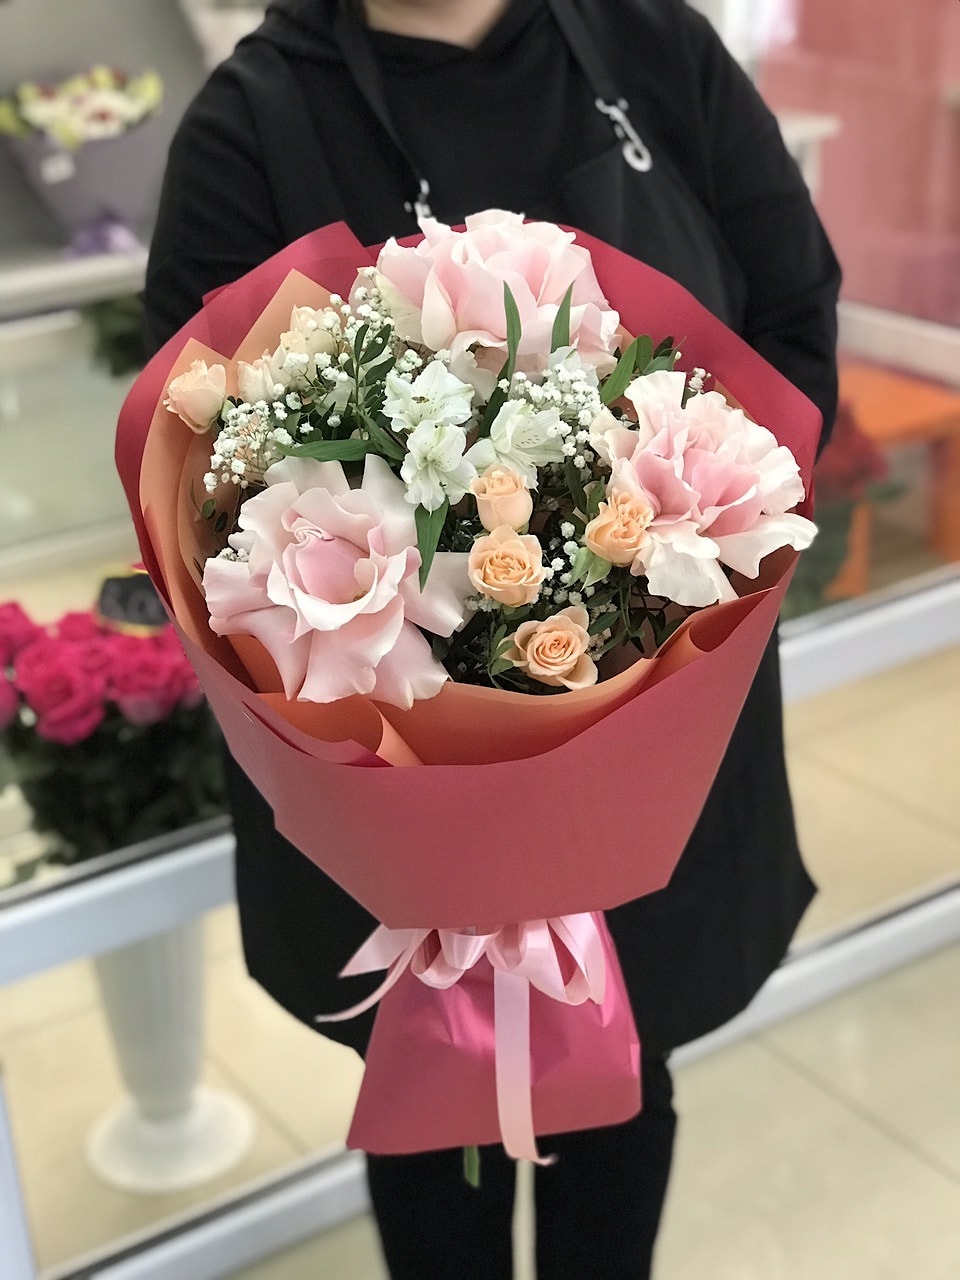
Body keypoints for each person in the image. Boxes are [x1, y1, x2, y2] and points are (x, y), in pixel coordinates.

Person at [143, 2, 841, 1276]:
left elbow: (792, 318)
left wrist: (671, 566)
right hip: (383, 745)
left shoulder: (655, 47)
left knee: (629, 1064)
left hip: (658, 723)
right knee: (429, 1106)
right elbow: (200, 464)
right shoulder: (258, 119)